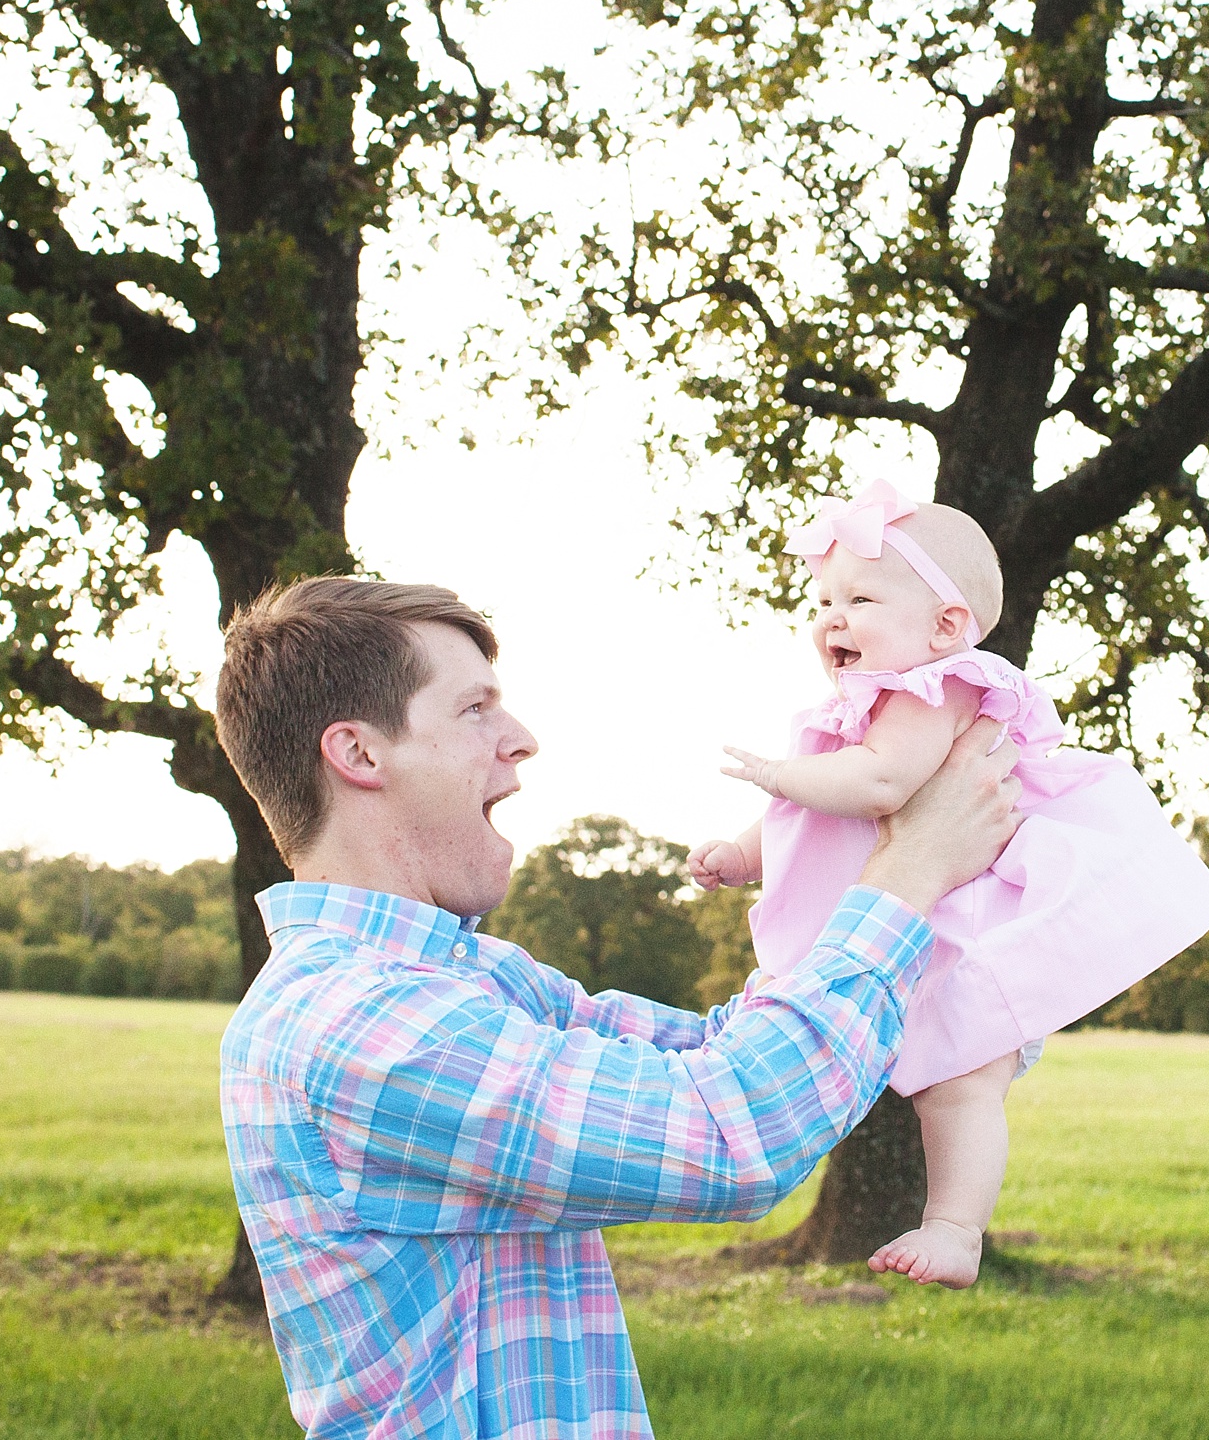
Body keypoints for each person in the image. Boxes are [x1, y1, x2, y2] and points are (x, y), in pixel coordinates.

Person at [213, 576, 1022, 1440]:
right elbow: (728, 1135)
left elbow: (720, 1053)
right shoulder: (359, 1019)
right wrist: (909, 872)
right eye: (475, 709)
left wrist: (908, 880)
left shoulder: (477, 980)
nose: (520, 739)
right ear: (361, 755)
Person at [688, 481, 1209, 1289]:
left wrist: (777, 772)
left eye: (861, 597)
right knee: (888, 1074)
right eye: (825, 600)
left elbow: (877, 787)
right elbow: (811, 821)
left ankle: (955, 1229)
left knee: (961, 1090)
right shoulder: (850, 717)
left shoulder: (933, 692)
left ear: (946, 627)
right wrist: (742, 855)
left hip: (962, 935)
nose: (833, 617)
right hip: (905, 931)